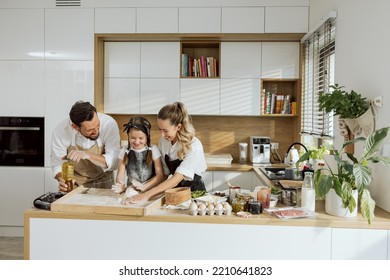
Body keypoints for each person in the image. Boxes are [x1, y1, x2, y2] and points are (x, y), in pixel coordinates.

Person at [126, 102, 207, 204]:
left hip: (195, 195)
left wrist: (146, 195)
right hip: (174, 193)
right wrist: (144, 187)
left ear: (178, 127)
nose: (162, 135)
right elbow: (164, 175)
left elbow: (176, 179)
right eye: (160, 130)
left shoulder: (194, 146)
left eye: (165, 131)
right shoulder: (164, 141)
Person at [51, 101, 120, 191]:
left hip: (104, 182)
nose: (96, 131)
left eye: (98, 125)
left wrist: (87, 155)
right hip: (75, 186)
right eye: (90, 130)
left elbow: (114, 162)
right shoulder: (61, 131)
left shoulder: (109, 124)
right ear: (75, 127)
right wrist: (63, 180)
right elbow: (58, 165)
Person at [111, 116, 165, 204]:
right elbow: (120, 175)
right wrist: (121, 187)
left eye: (141, 138)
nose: (136, 142)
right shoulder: (124, 151)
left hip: (151, 192)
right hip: (132, 193)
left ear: (147, 137)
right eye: (132, 138)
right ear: (128, 136)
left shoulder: (153, 149)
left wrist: (144, 187)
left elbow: (160, 175)